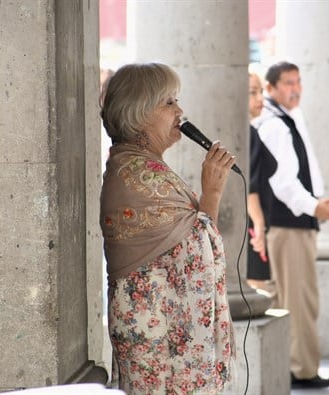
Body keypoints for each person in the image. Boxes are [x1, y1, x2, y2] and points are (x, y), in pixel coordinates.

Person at [99, 62, 236, 395]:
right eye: (169, 103)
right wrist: (213, 193)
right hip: (157, 337)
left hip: (161, 330)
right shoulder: (140, 175)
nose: (180, 110)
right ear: (139, 113)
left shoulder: (140, 166)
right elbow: (197, 252)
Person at [250, 61, 329, 388]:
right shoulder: (275, 124)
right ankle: (301, 368)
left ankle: (295, 366)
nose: (295, 88)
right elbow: (283, 183)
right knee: (298, 300)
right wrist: (315, 207)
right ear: (271, 88)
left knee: (291, 297)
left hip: (294, 223)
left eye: (298, 81)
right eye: (288, 82)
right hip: (290, 225)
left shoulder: (286, 118)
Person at [246, 72, 272, 292]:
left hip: (248, 224)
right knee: (257, 289)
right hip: (249, 226)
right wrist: (259, 225)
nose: (260, 99)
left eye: (261, 92)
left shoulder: (250, 132)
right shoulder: (248, 134)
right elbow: (249, 186)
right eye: (252, 92)